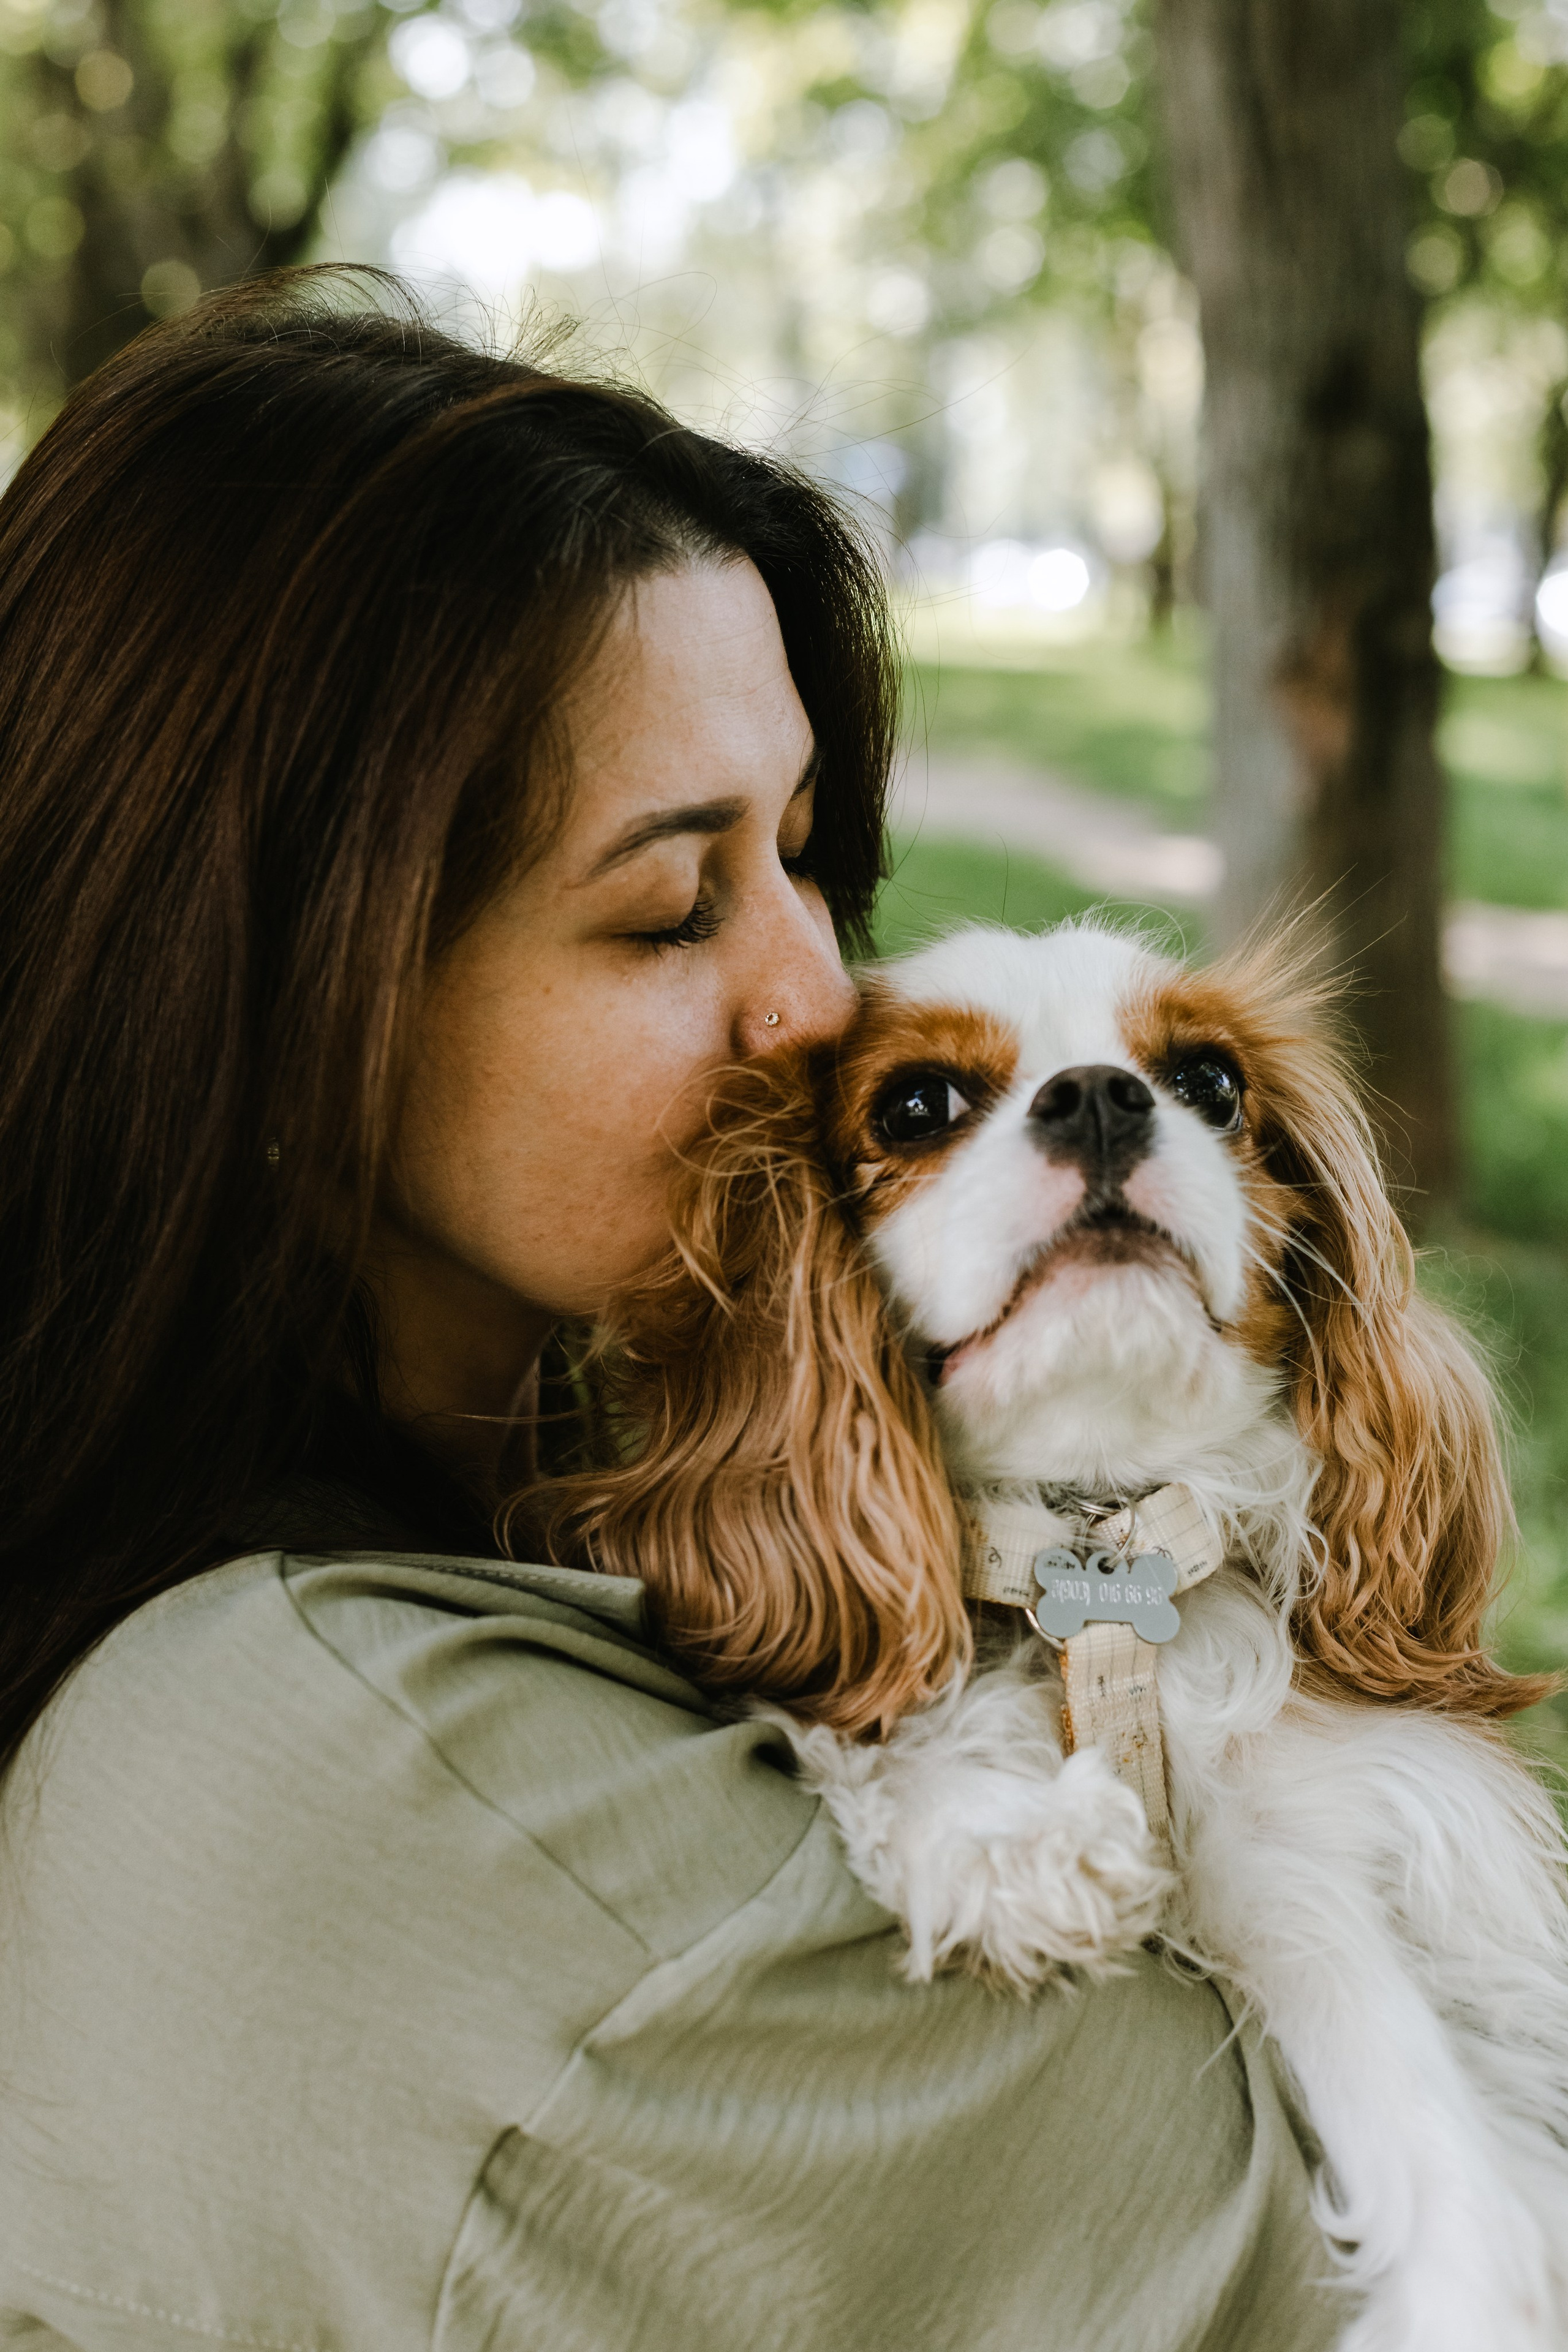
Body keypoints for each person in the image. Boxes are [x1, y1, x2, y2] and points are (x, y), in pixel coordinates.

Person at [0, 270, 1342, 2352]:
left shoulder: (539, 1515)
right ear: (270, 1011)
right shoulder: (361, 1771)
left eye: (805, 855)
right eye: (664, 908)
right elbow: (1362, 2247)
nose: (819, 996)